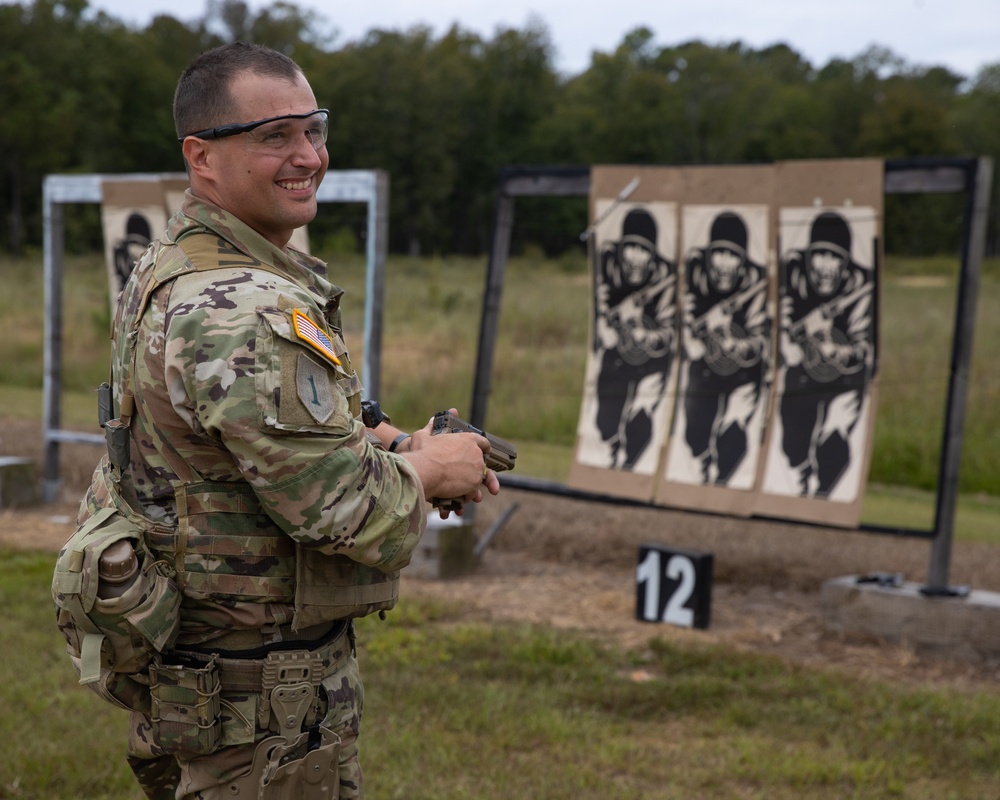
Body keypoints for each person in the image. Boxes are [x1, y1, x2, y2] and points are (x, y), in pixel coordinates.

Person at [73, 42, 499, 799]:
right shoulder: (245, 303)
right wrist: (435, 472)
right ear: (201, 156)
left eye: (315, 128)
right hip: (262, 697)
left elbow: (244, 434)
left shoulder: (178, 261)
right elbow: (349, 511)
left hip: (207, 674)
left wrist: (397, 442)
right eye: (274, 136)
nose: (309, 156)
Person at [777, 210, 875, 497]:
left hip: (845, 380)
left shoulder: (858, 288)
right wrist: (789, 344)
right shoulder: (793, 276)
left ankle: (823, 500)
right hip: (802, 377)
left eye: (834, 257)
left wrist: (834, 350)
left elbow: (863, 349)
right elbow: (782, 324)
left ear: (845, 262)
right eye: (820, 255)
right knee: (792, 448)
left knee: (833, 440)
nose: (826, 265)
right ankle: (801, 477)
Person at [675, 211, 769, 486]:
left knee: (732, 432)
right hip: (704, 373)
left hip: (744, 377)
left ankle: (723, 486)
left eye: (733, 255)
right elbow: (689, 345)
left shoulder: (754, 289)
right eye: (720, 254)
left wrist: (733, 343)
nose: (726, 263)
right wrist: (697, 334)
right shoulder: (696, 282)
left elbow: (761, 344)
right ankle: (704, 467)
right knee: (694, 437)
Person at [592, 207, 676, 470]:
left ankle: (629, 467)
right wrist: (611, 323)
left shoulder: (665, 280)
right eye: (632, 248)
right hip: (616, 357)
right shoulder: (608, 268)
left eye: (644, 250)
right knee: (605, 423)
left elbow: (669, 333)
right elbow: (602, 310)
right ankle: (613, 448)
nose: (637, 257)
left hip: (652, 363)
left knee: (640, 418)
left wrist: (646, 335)